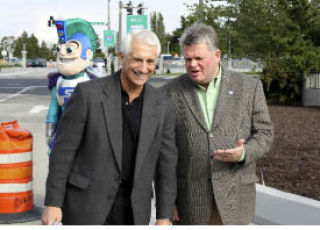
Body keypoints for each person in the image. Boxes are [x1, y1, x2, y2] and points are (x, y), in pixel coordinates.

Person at [42, 30, 178, 225]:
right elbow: (63, 152)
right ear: (121, 58)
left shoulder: (162, 106)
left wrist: (164, 217)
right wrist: (53, 203)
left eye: (150, 61)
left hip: (133, 211)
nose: (144, 68)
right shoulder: (88, 95)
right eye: (137, 60)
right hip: (85, 206)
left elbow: (166, 165)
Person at [162, 23, 274, 225]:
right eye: (187, 59)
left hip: (236, 198)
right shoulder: (169, 92)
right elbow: (163, 151)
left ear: (217, 55)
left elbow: (265, 133)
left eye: (198, 58)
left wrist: (244, 153)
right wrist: (166, 200)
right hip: (190, 203)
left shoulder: (249, 87)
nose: (192, 65)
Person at [46, 18, 103, 154]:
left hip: (87, 137)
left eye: (69, 49)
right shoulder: (58, 83)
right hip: (63, 135)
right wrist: (49, 134)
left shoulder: (93, 82)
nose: (62, 53)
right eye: (59, 48)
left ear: (88, 54)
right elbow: (53, 111)